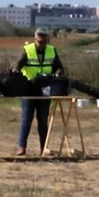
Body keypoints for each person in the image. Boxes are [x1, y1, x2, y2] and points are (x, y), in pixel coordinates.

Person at [13, 27, 63, 156]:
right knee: (27, 118)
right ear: (35, 39)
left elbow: (59, 67)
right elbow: (18, 65)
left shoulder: (52, 50)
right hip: (29, 88)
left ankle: (43, 147)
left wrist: (58, 73)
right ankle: (22, 147)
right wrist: (16, 71)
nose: (42, 44)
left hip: (45, 89)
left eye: (44, 42)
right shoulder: (27, 50)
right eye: (40, 42)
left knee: (43, 120)